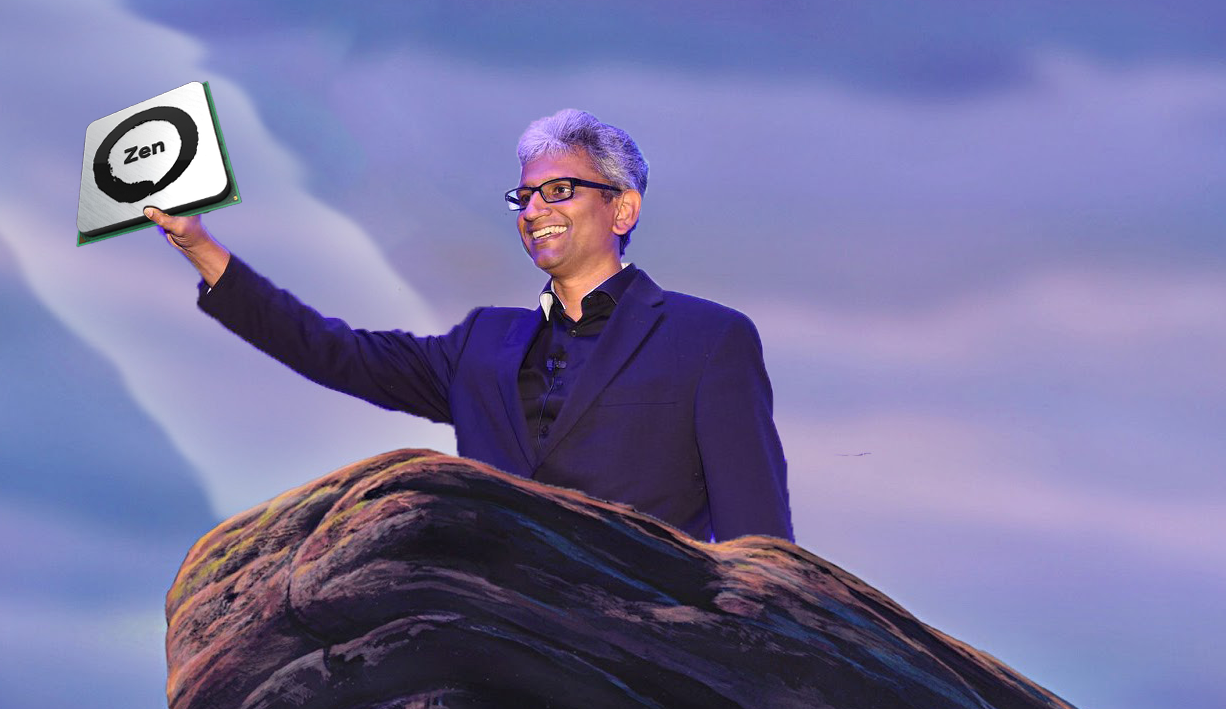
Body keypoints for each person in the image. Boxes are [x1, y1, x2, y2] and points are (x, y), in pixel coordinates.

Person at [147, 109, 792, 542]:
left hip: (642, 666)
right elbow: (330, 350)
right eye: (524, 196)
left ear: (622, 209)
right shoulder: (481, 344)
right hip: (495, 655)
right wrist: (202, 249)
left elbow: (759, 546)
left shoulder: (708, 339)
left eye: (559, 190)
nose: (533, 209)